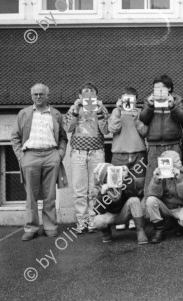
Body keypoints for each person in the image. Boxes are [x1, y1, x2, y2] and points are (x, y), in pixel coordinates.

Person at [11, 83, 68, 241]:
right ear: (31, 96)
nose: (38, 97)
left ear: (47, 96)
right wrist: (21, 158)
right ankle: (31, 227)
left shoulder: (56, 114)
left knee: (50, 195)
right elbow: (15, 137)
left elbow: (63, 137)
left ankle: (50, 226)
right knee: (31, 195)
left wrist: (60, 154)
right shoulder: (24, 113)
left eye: (41, 94)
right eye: (35, 94)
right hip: (30, 156)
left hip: (51, 155)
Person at [64, 82, 110, 234]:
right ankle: (81, 221)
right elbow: (68, 128)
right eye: (85, 94)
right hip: (78, 152)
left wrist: (99, 111)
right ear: (80, 96)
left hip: (96, 152)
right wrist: (76, 109)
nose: (89, 97)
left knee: (95, 188)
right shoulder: (74, 108)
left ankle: (93, 219)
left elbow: (106, 130)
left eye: (92, 94)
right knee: (79, 188)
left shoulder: (101, 108)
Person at [108, 86, 148, 230]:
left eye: (131, 99)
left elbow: (145, 132)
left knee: (137, 187)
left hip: (138, 154)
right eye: (125, 99)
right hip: (120, 154)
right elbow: (112, 129)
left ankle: (133, 217)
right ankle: (121, 218)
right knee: (118, 186)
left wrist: (136, 118)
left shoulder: (141, 112)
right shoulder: (116, 111)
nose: (128, 102)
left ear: (136, 100)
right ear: (121, 99)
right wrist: (119, 111)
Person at [140, 75, 183, 193]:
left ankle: (172, 206)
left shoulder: (177, 99)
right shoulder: (149, 99)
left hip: (173, 144)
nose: (157, 91)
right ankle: (148, 207)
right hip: (154, 145)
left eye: (161, 88)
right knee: (152, 177)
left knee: (173, 176)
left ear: (169, 88)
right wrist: (149, 105)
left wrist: (173, 106)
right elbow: (143, 118)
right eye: (155, 89)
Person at [145, 151, 183, 243]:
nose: (180, 162)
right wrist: (156, 180)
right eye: (177, 160)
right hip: (165, 207)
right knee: (150, 200)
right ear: (169, 162)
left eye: (179, 159)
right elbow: (153, 195)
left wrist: (179, 178)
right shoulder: (159, 172)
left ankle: (176, 223)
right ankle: (159, 230)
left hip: (179, 207)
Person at [92, 163, 148, 245]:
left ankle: (140, 230)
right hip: (109, 216)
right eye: (108, 175)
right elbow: (99, 211)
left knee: (134, 200)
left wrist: (126, 177)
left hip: (123, 213)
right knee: (98, 221)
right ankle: (106, 233)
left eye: (113, 172)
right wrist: (102, 193)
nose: (112, 176)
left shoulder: (122, 181)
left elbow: (134, 194)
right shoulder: (99, 188)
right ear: (104, 178)